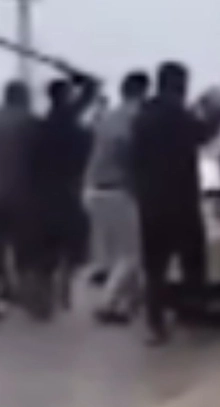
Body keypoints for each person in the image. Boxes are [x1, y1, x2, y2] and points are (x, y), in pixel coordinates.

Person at [130, 62, 220, 345]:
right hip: (181, 200)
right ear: (180, 85)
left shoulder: (143, 115)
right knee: (193, 262)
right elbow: (202, 135)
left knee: (155, 268)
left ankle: (155, 324)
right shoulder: (178, 115)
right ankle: (192, 317)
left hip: (150, 202)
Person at [20, 74, 98, 319]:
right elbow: (90, 93)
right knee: (72, 243)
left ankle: (44, 297)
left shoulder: (41, 127)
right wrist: (82, 80)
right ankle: (58, 291)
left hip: (41, 192)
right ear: (66, 96)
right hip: (67, 190)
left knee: (46, 248)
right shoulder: (73, 127)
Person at [84, 71, 150, 324]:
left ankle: (130, 303)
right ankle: (108, 304)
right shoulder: (132, 118)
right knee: (131, 255)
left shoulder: (109, 117)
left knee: (117, 254)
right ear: (143, 92)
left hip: (93, 189)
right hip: (117, 190)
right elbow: (127, 151)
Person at [0, 80, 37, 322]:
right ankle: (30, 300)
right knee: (26, 251)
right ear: (23, 97)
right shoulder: (28, 121)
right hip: (20, 192)